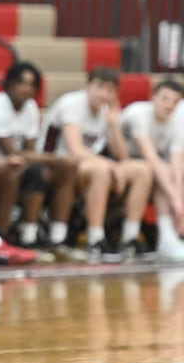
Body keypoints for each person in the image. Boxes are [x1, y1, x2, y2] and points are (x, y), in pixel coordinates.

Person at [36, 67, 153, 262]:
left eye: (109, 90)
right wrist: (112, 166)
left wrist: (114, 124)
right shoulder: (72, 104)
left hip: (88, 166)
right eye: (99, 88)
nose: (103, 94)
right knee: (102, 170)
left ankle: (130, 237)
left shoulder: (106, 112)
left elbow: (122, 157)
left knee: (143, 170)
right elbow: (75, 150)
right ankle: (95, 239)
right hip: (57, 165)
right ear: (87, 86)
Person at [0, 61, 83, 261]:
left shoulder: (31, 107)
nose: (26, 88)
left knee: (62, 172)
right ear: (9, 84)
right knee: (31, 170)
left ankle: (55, 240)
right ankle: (15, 239)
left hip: (17, 166)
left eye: (32, 84)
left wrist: (51, 162)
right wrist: (54, 159)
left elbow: (29, 151)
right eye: (21, 83)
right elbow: (13, 152)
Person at [120, 78, 184, 260]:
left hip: (144, 167)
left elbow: (176, 164)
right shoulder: (138, 113)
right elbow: (152, 158)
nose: (169, 105)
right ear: (153, 97)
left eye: (175, 101)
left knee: (167, 171)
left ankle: (170, 236)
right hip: (115, 160)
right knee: (153, 170)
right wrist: (175, 199)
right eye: (165, 99)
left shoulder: (176, 123)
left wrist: (179, 204)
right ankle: (130, 237)